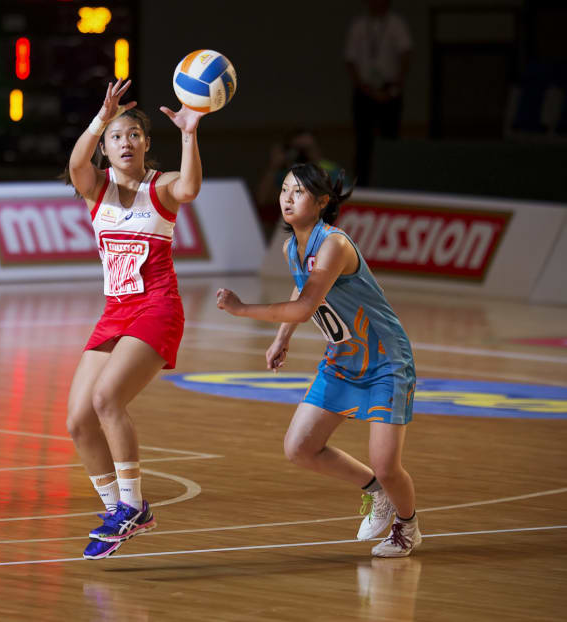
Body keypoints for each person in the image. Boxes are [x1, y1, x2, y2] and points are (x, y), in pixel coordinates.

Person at [216, 162, 420, 557]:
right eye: (284, 191)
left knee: (387, 464)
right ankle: (377, 494)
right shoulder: (291, 245)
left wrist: (243, 310)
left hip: (385, 361)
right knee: (300, 447)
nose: (287, 199)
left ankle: (407, 526)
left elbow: (308, 305)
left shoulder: (334, 244)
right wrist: (282, 337)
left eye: (298, 192)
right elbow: (301, 288)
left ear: (323, 201)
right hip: (342, 359)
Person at [64, 79, 205, 560]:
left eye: (135, 136)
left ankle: (130, 504)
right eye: (117, 137)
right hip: (114, 312)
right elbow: (75, 165)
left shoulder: (160, 186)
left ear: (146, 144)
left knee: (107, 399)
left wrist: (189, 133)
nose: (126, 143)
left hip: (157, 307)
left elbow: (189, 187)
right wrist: (100, 118)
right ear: (105, 146)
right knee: (78, 421)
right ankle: (122, 512)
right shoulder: (95, 189)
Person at [345, 0, 412, 186]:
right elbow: (350, 60)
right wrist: (364, 88)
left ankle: (391, 182)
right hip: (364, 90)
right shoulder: (358, 26)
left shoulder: (396, 24)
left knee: (390, 140)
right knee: (363, 142)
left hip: (389, 88)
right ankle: (362, 185)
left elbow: (406, 54)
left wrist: (396, 85)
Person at [255, 129, 343, 236]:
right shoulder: (287, 173)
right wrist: (274, 165)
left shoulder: (331, 170)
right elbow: (263, 199)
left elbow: (341, 201)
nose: (303, 154)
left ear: (317, 149)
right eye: (298, 150)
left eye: (307, 149)